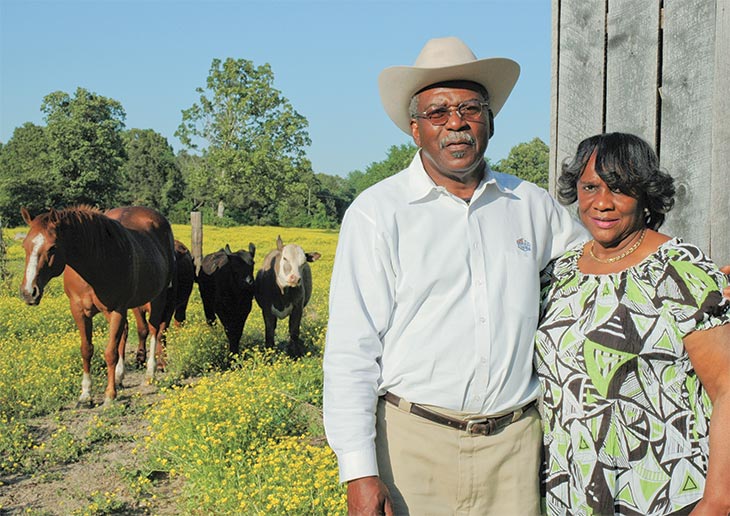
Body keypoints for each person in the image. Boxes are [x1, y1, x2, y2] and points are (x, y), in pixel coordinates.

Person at [323, 36, 588, 515]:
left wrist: (688, 277)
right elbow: (351, 350)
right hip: (412, 447)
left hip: (514, 448)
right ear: (414, 129)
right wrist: (360, 471)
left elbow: (600, 270)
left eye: (470, 108)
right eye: (438, 113)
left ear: (490, 120)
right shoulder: (378, 213)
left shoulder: (531, 206)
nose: (456, 124)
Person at [534, 132, 730, 515]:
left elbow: (727, 386)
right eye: (590, 186)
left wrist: (718, 499)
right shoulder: (557, 273)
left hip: (670, 494)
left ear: (645, 195)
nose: (602, 202)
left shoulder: (680, 268)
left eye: (620, 189)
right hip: (575, 494)